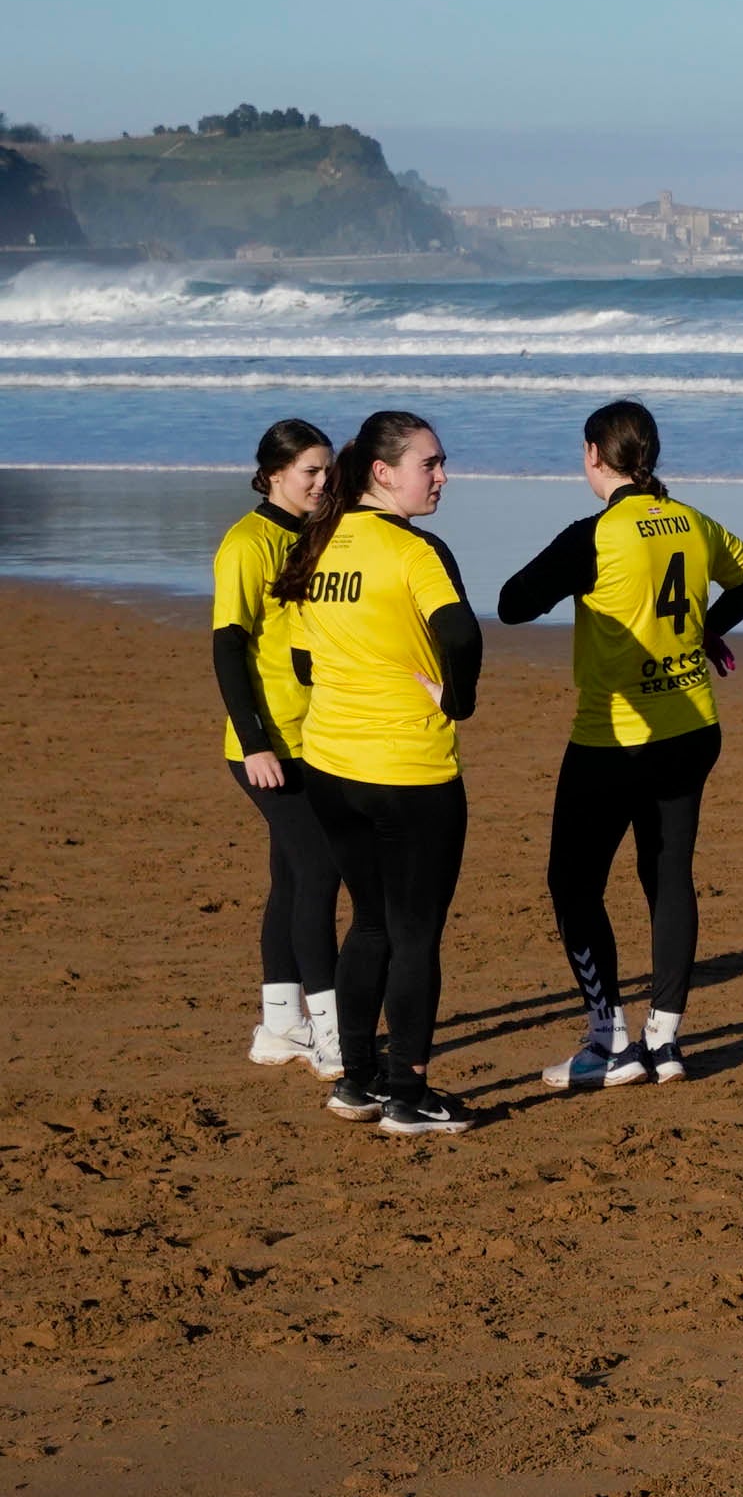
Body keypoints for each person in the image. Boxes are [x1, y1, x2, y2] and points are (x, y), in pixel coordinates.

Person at [497, 401, 743, 1091]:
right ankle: (666, 1040)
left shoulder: (593, 535)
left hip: (614, 740)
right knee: (667, 875)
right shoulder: (689, 520)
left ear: (595, 454)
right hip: (691, 729)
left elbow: (511, 603)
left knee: (572, 883)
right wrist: (706, 628)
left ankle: (610, 1040)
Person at [274, 410, 484, 1134]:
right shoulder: (413, 549)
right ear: (382, 472)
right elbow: (459, 630)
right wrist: (457, 698)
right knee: (415, 933)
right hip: (409, 772)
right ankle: (410, 1095)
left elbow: (301, 655)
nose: (442, 476)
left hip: (331, 765)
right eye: (430, 464)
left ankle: (355, 1082)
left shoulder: (318, 540)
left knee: (369, 925)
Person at [216, 418, 345, 1078]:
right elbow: (228, 648)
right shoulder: (248, 542)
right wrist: (257, 742)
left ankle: (280, 1024)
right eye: (309, 473)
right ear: (271, 474)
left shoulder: (323, 535)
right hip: (266, 748)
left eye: (327, 470)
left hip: (318, 739)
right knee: (321, 872)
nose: (322, 483)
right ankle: (330, 1036)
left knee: (294, 876)